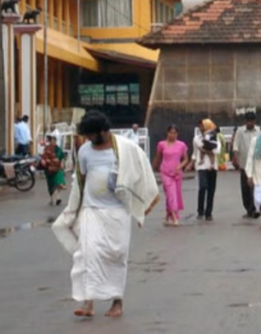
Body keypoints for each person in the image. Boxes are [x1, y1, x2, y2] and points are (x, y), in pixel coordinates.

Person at [52, 110, 159, 319]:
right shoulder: (84, 151)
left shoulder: (125, 149)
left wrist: (140, 208)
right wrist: (73, 210)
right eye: (87, 135)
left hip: (116, 213)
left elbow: (142, 173)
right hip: (91, 211)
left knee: (116, 256)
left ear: (103, 130)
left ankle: (117, 302)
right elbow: (80, 181)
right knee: (87, 255)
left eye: (93, 134)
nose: (90, 139)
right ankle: (88, 302)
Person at [153, 125, 187, 226]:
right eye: (171, 133)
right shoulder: (161, 144)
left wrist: (180, 166)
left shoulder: (181, 145)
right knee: (171, 193)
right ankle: (175, 217)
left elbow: (186, 159)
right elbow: (158, 157)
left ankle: (168, 216)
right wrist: (151, 168)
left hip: (176, 173)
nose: (172, 135)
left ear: (177, 134)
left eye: (175, 133)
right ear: (167, 133)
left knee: (173, 195)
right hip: (165, 172)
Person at [231, 112, 260, 219]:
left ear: (254, 121)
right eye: (248, 121)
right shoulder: (240, 131)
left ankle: (254, 209)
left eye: (252, 121)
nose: (250, 123)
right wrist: (235, 157)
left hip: (256, 164)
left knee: (255, 186)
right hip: (243, 163)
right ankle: (249, 208)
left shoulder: (259, 131)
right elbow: (236, 146)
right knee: (245, 188)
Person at [192, 118, 220, 221]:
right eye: (200, 126)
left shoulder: (215, 137)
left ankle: (209, 212)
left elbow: (217, 150)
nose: (201, 128)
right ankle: (200, 210)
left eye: (202, 126)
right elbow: (195, 152)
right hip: (202, 166)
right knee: (203, 187)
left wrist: (206, 149)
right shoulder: (196, 138)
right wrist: (192, 162)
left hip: (213, 166)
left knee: (211, 190)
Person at [41, 134, 67, 206]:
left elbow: (62, 158)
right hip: (49, 169)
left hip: (57, 168)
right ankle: (51, 198)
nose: (53, 143)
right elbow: (44, 157)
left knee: (58, 182)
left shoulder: (58, 149)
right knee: (51, 184)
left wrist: (62, 164)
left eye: (54, 142)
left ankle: (58, 197)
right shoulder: (47, 149)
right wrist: (43, 161)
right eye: (52, 142)